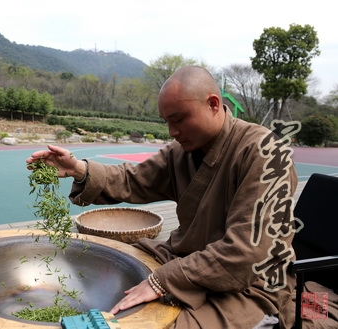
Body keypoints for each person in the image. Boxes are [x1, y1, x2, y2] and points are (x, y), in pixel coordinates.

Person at [26, 66, 300, 328]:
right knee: (112, 265)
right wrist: (78, 169)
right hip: (184, 263)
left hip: (248, 287)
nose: (172, 131)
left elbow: (248, 252)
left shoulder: (265, 154)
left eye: (179, 119)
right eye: (167, 121)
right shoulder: (180, 152)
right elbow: (132, 179)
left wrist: (161, 281)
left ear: (213, 104)